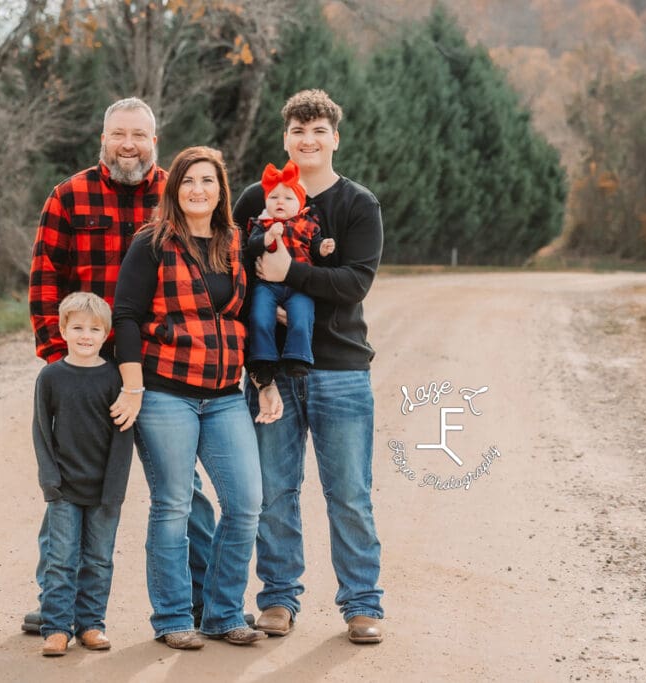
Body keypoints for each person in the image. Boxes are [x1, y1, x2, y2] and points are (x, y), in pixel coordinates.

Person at [25, 97, 217, 634]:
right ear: (102, 138)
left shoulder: (175, 196)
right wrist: (59, 363)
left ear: (156, 141)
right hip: (86, 371)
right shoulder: (69, 197)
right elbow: (45, 281)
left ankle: (206, 601)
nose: (127, 143)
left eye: (138, 134)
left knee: (184, 488)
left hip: (158, 371)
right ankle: (56, 606)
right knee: (69, 490)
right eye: (118, 134)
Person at [111, 146, 283, 649]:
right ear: (174, 189)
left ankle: (224, 612)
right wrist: (133, 385)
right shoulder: (152, 243)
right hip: (166, 393)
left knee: (247, 502)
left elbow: (248, 319)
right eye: (188, 181)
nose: (197, 190)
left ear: (221, 190)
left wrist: (263, 379)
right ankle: (172, 618)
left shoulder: (234, 243)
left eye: (207, 181)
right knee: (172, 505)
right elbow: (125, 315)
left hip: (226, 394)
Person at [233, 89, 386, 644]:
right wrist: (261, 297)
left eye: (319, 130)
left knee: (348, 492)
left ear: (334, 139)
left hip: (340, 368)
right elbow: (235, 269)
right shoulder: (256, 197)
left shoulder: (357, 204)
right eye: (299, 130)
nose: (308, 139)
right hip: (271, 371)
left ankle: (362, 605)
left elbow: (354, 284)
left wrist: (290, 274)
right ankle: (277, 599)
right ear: (286, 139)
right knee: (273, 490)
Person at [33, 292, 134, 656]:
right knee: (61, 559)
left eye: (94, 329)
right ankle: (57, 627)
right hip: (65, 489)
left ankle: (91, 624)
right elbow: (42, 431)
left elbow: (123, 438)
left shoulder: (113, 378)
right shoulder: (51, 378)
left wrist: (116, 487)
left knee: (98, 558)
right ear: (62, 330)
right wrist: (50, 481)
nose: (85, 335)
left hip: (105, 489)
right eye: (77, 327)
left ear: (106, 334)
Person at [245, 160, 335, 386]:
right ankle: (263, 360)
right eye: (274, 198)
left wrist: (322, 248)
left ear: (300, 203)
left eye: (288, 198)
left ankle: (298, 358)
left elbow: (313, 247)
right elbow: (250, 247)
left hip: (298, 286)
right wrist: (266, 238)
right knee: (260, 317)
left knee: (302, 316)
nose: (280, 202)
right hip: (266, 285)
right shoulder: (262, 223)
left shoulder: (308, 224)